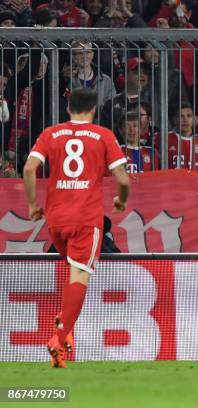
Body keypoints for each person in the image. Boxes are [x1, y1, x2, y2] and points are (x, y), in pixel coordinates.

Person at [22, 88, 130, 368]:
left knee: (73, 272)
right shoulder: (104, 135)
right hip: (85, 218)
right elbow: (124, 179)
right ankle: (58, 339)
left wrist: (33, 205)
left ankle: (65, 326)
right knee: (80, 276)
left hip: (56, 219)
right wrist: (121, 200)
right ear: (94, 110)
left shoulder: (51, 133)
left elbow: (29, 168)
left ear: (68, 108)